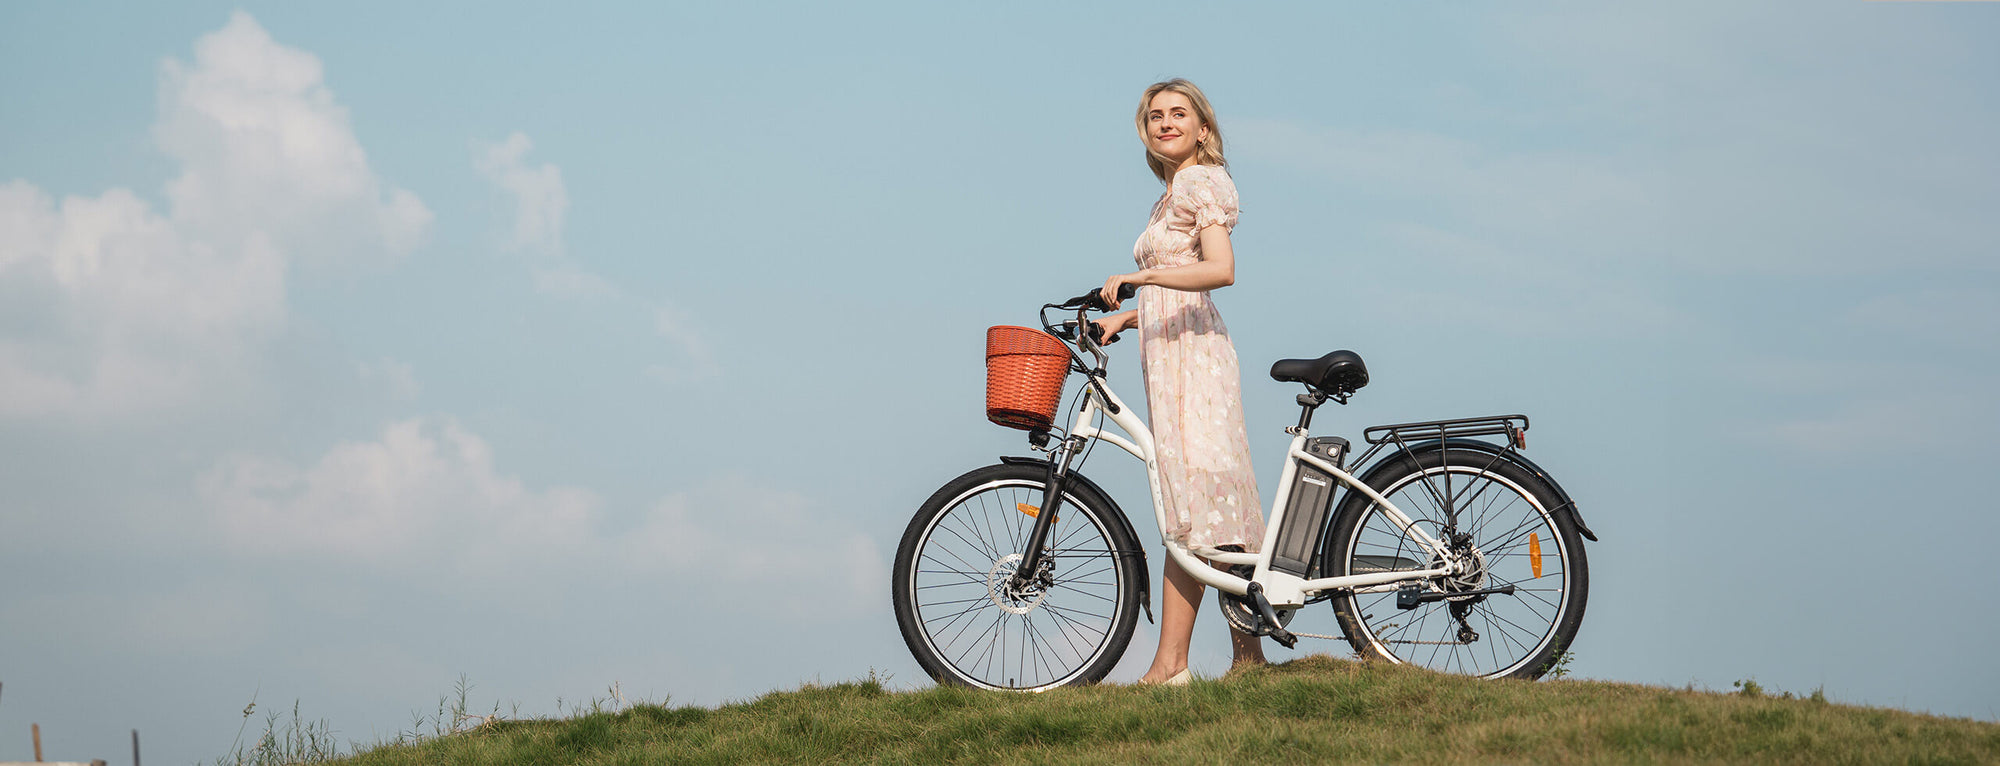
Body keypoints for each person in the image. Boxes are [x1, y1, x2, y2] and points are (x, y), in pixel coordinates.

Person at [1092, 78, 1266, 685]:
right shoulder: (1167, 198)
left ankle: (1177, 665)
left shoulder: (1199, 182)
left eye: (1179, 114)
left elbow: (1221, 270)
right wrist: (1127, 316)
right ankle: (1232, 661)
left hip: (1197, 362)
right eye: (1155, 115)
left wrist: (1139, 282)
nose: (1166, 122)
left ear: (1202, 129)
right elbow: (1174, 287)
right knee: (1196, 503)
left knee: (1199, 502)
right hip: (1170, 357)